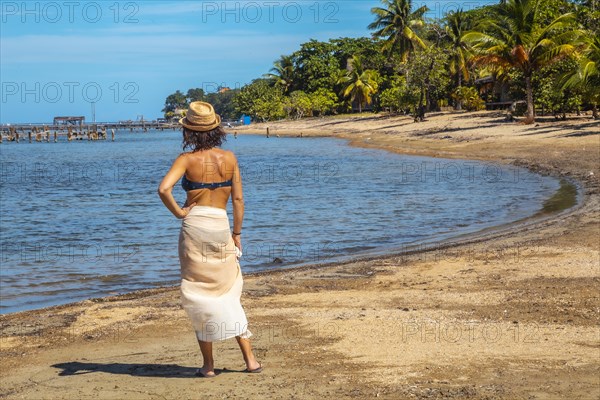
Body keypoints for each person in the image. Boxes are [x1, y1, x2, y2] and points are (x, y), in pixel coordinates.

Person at [158, 101, 262, 378]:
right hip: (220, 223)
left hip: (195, 225)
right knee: (228, 290)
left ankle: (208, 366)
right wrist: (237, 234)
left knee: (198, 291)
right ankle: (250, 360)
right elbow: (238, 199)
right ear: (216, 129)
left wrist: (180, 212)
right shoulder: (229, 158)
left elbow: (163, 189)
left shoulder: (186, 160)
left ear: (189, 132)